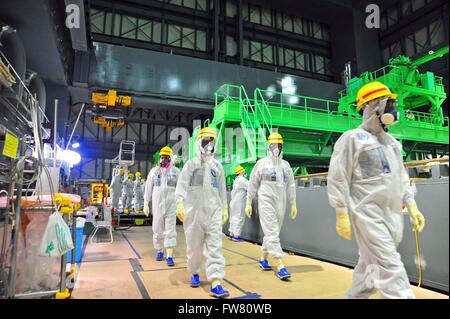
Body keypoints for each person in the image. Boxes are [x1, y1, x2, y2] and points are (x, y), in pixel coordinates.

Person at [327, 81, 426, 299]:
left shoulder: (392, 142)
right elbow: (338, 175)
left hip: (392, 215)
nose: (392, 107)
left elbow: (400, 176)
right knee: (391, 268)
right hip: (368, 213)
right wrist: (341, 211)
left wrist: (412, 204)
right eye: (387, 101)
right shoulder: (352, 138)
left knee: (369, 268)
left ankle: (356, 296)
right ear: (371, 106)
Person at [174, 127, 230, 298]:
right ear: (199, 143)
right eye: (205, 142)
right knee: (194, 247)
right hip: (194, 213)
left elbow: (221, 189)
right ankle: (195, 272)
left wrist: (224, 207)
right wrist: (179, 204)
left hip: (213, 212)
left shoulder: (217, 167)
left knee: (215, 246)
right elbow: (181, 186)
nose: (208, 145)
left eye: (211, 142)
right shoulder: (191, 165)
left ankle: (216, 281)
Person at [245, 132, 298, 280]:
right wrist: (248, 201)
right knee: (272, 231)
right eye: (273, 145)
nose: (276, 148)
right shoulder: (261, 164)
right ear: (268, 146)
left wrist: (293, 203)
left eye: (279, 145)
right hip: (266, 200)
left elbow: (291, 185)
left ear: (282, 147)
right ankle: (280, 265)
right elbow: (252, 183)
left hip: (281, 202)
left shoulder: (286, 166)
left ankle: (263, 258)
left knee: (273, 232)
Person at [144, 146, 180, 267]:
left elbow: (181, 189)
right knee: (157, 227)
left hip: (171, 204)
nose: (163, 159)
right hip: (157, 204)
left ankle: (169, 255)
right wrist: (145, 203)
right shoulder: (154, 171)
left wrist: (181, 204)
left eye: (166, 157)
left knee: (170, 229)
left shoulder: (176, 172)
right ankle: (159, 250)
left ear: (170, 158)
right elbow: (148, 188)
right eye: (162, 157)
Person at [228, 165, 249, 242]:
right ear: (241, 172)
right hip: (239, 202)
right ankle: (236, 236)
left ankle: (231, 233)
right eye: (243, 171)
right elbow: (251, 186)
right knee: (239, 217)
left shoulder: (236, 180)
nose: (244, 172)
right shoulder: (242, 180)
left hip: (233, 201)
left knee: (233, 217)